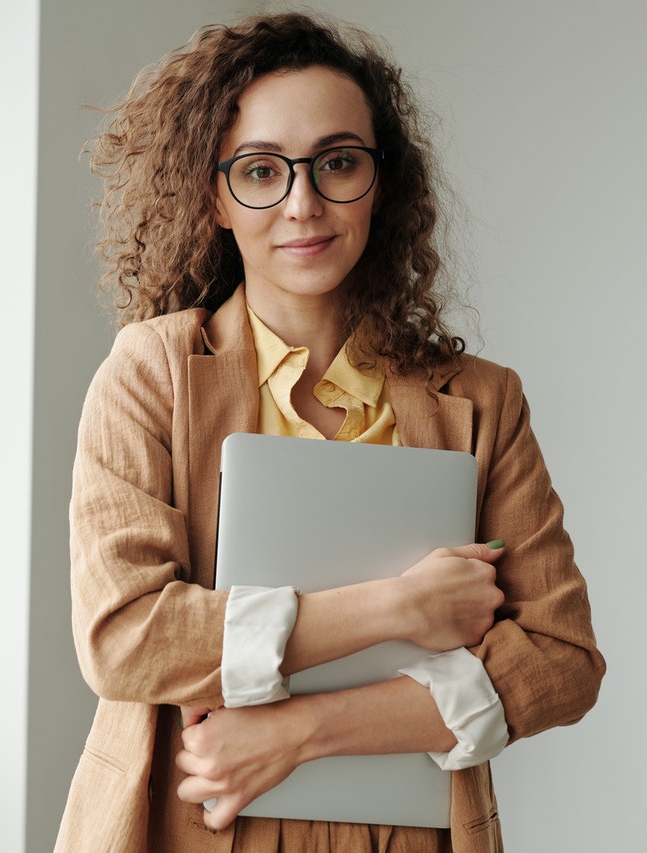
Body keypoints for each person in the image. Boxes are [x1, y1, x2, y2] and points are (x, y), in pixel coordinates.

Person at [56, 11, 604, 853]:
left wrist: (298, 729)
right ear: (213, 193)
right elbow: (126, 636)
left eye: (338, 162)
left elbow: (562, 661)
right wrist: (398, 605)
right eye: (262, 170)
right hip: (184, 824)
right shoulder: (152, 373)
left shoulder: (483, 403)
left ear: (381, 182)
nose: (303, 204)